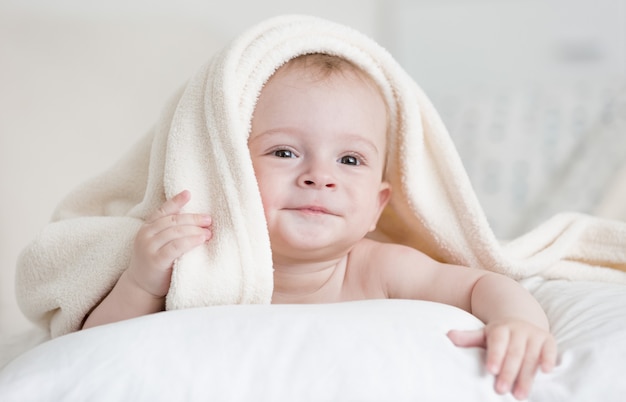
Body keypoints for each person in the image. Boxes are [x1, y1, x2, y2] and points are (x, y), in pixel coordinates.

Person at [82, 54, 556, 400]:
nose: (319, 176)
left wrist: (517, 321)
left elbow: (481, 285)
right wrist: (142, 279)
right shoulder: (197, 260)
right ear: (226, 171)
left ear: (377, 206)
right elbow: (89, 348)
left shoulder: (379, 269)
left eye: (350, 159)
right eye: (284, 152)